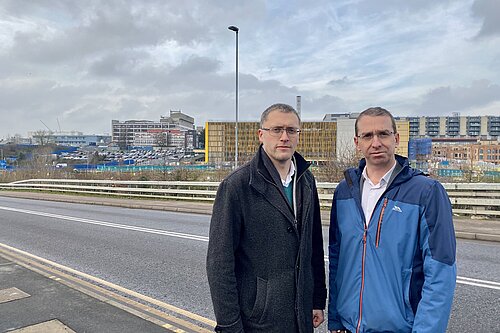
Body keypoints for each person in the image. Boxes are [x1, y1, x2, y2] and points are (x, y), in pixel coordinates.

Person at [328, 107, 456, 333]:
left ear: (396, 139)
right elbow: (338, 261)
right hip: (348, 327)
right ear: (357, 142)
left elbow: (440, 272)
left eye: (383, 134)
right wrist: (336, 319)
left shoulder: (425, 192)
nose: (376, 142)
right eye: (367, 136)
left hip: (400, 328)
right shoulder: (344, 192)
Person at [206, 103, 327, 333]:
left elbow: (313, 247)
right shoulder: (237, 186)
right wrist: (229, 326)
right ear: (261, 135)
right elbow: (219, 264)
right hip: (257, 322)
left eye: (292, 130)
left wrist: (317, 299)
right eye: (276, 130)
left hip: (300, 317)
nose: (284, 137)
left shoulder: (306, 181)